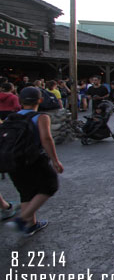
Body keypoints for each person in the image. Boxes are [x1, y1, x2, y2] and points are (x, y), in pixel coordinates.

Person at [5, 87, 64, 236]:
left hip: (13, 160)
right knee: (50, 186)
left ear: (20, 100)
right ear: (40, 100)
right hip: (33, 159)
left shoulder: (11, 117)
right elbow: (46, 139)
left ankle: (31, 225)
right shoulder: (41, 117)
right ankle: (23, 219)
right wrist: (55, 160)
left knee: (26, 192)